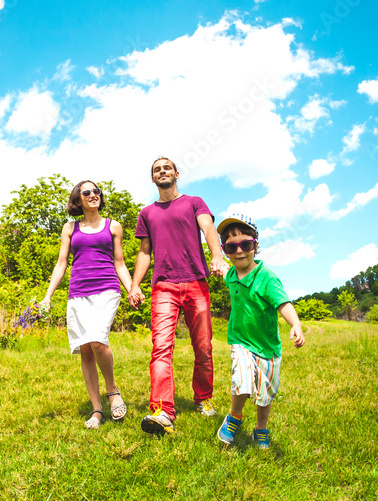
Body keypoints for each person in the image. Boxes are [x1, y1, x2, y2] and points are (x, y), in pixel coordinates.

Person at [128, 156, 228, 435]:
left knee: (204, 347)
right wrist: (135, 285)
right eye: (157, 169)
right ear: (152, 179)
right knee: (161, 348)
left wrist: (217, 257)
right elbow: (145, 252)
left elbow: (208, 228)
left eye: (166, 168)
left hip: (196, 282)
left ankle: (203, 398)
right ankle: (162, 410)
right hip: (163, 286)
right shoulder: (146, 212)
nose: (162, 172)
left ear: (176, 173)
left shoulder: (194, 202)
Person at [43, 181, 134, 429]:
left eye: (96, 191)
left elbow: (120, 262)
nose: (93, 195)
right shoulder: (70, 228)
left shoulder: (113, 226)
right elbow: (62, 263)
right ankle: (97, 410)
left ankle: (112, 390)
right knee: (85, 349)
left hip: (107, 289)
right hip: (78, 293)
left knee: (97, 340)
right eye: (87, 192)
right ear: (78, 199)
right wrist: (48, 296)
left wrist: (132, 288)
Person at [214, 213, 305, 449]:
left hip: (268, 348)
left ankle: (261, 428)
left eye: (245, 244)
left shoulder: (266, 277)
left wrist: (295, 323)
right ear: (225, 250)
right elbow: (224, 273)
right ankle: (234, 417)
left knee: (266, 395)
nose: (239, 251)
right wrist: (218, 267)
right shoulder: (231, 275)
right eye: (231, 247)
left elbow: (283, 303)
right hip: (241, 342)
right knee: (241, 382)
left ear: (256, 245)